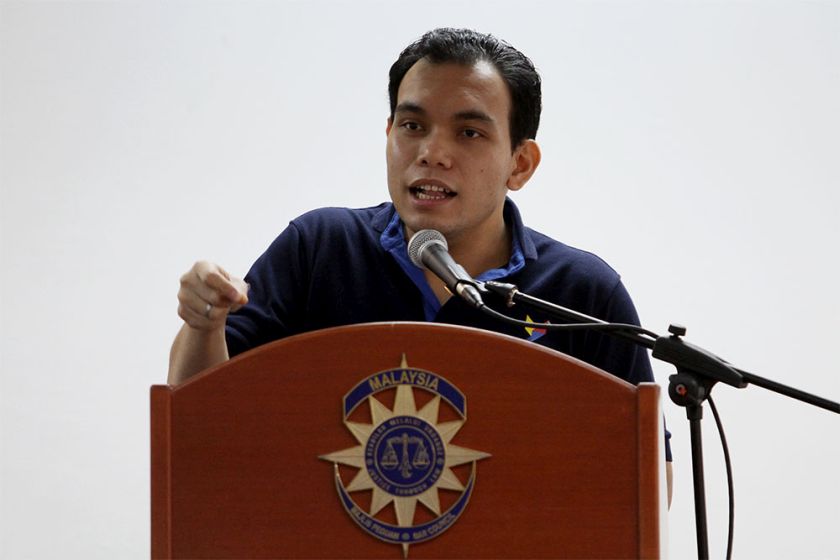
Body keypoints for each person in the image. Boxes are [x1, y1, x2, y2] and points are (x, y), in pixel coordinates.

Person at [168, 28, 672, 499]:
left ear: (520, 164)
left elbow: (650, 487)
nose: (432, 152)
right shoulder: (320, 248)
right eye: (412, 126)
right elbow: (194, 419)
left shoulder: (580, 292)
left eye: (469, 133)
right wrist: (203, 324)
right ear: (388, 134)